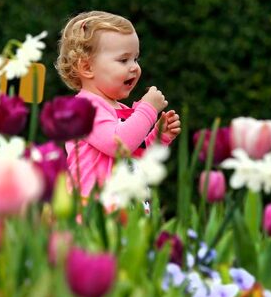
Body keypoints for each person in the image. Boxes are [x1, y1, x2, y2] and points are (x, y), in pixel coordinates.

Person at [55, 11, 181, 197]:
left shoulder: (120, 110)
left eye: (136, 58)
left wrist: (158, 136)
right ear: (87, 67)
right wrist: (148, 109)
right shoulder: (84, 109)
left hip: (123, 208)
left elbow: (134, 160)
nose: (134, 67)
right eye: (123, 60)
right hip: (94, 212)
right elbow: (120, 145)